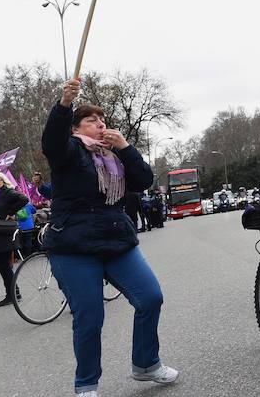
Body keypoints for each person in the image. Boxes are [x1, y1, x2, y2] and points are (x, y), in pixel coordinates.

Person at [42, 78, 177, 397]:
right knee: (90, 316)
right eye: (91, 120)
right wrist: (64, 104)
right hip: (73, 246)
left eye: (102, 120)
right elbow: (51, 141)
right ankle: (86, 384)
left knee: (150, 297)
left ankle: (146, 364)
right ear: (75, 128)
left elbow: (142, 180)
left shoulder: (114, 156)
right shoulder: (68, 150)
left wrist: (126, 147)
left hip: (115, 239)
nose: (100, 124)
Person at [0, 171, 29, 307]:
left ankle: (13, 294)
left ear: (3, 181)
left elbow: (24, 199)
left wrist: (11, 212)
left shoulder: (7, 192)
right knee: (2, 265)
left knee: (3, 265)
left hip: (4, 233)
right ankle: (13, 293)